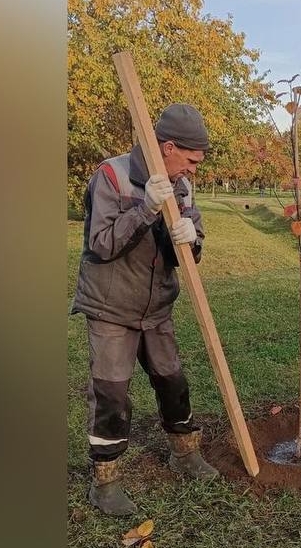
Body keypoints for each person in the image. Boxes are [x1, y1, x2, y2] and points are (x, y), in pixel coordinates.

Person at [70, 103, 220, 516]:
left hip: (156, 307)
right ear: (168, 147)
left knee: (173, 381)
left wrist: (192, 239)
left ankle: (185, 454)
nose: (193, 170)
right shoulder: (112, 176)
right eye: (190, 160)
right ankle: (106, 482)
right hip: (111, 306)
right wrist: (146, 209)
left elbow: (188, 248)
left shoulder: (183, 187)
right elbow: (101, 244)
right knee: (111, 392)